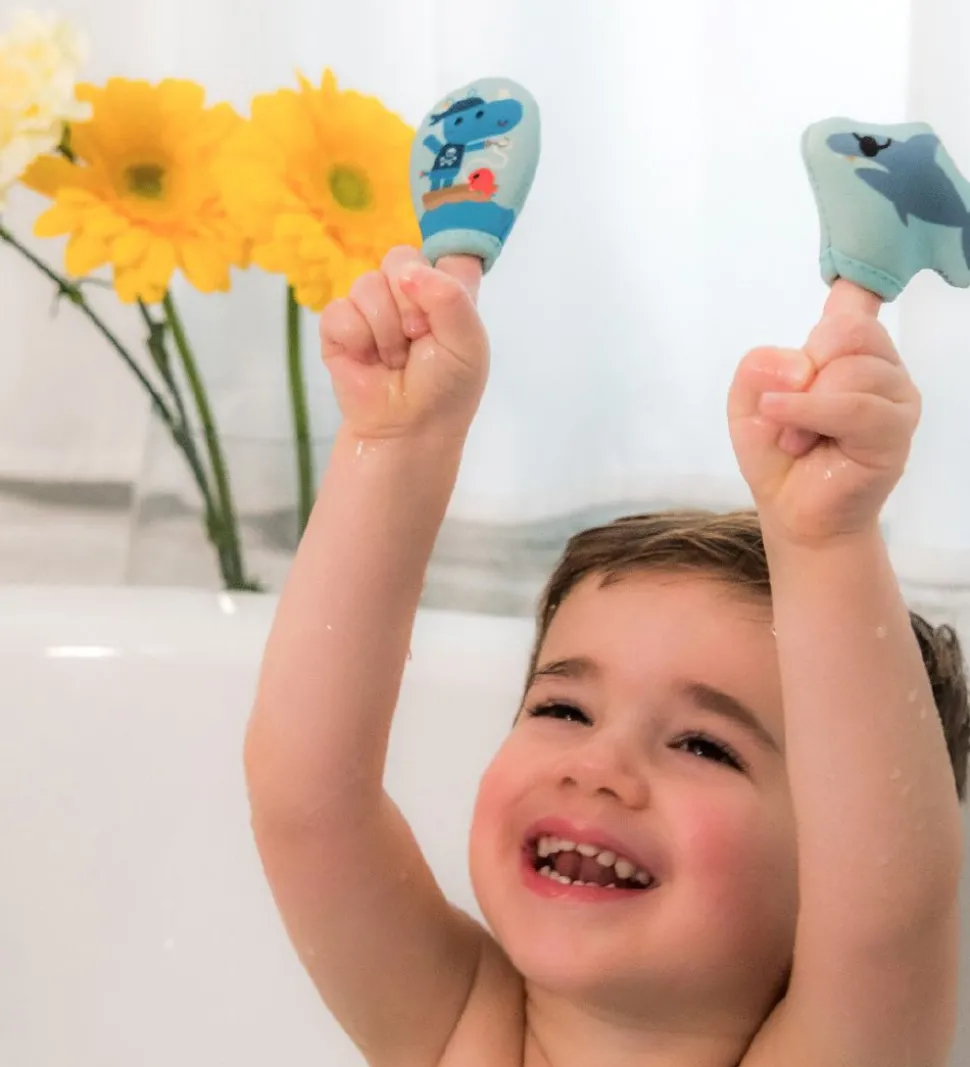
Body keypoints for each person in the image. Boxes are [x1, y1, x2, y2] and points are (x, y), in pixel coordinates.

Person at [243, 244, 969, 1067]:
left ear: (823, 869)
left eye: (704, 745)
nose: (597, 767)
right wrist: (398, 439)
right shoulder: (459, 1024)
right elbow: (308, 800)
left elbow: (887, 917)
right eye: (563, 708)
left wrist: (827, 541)